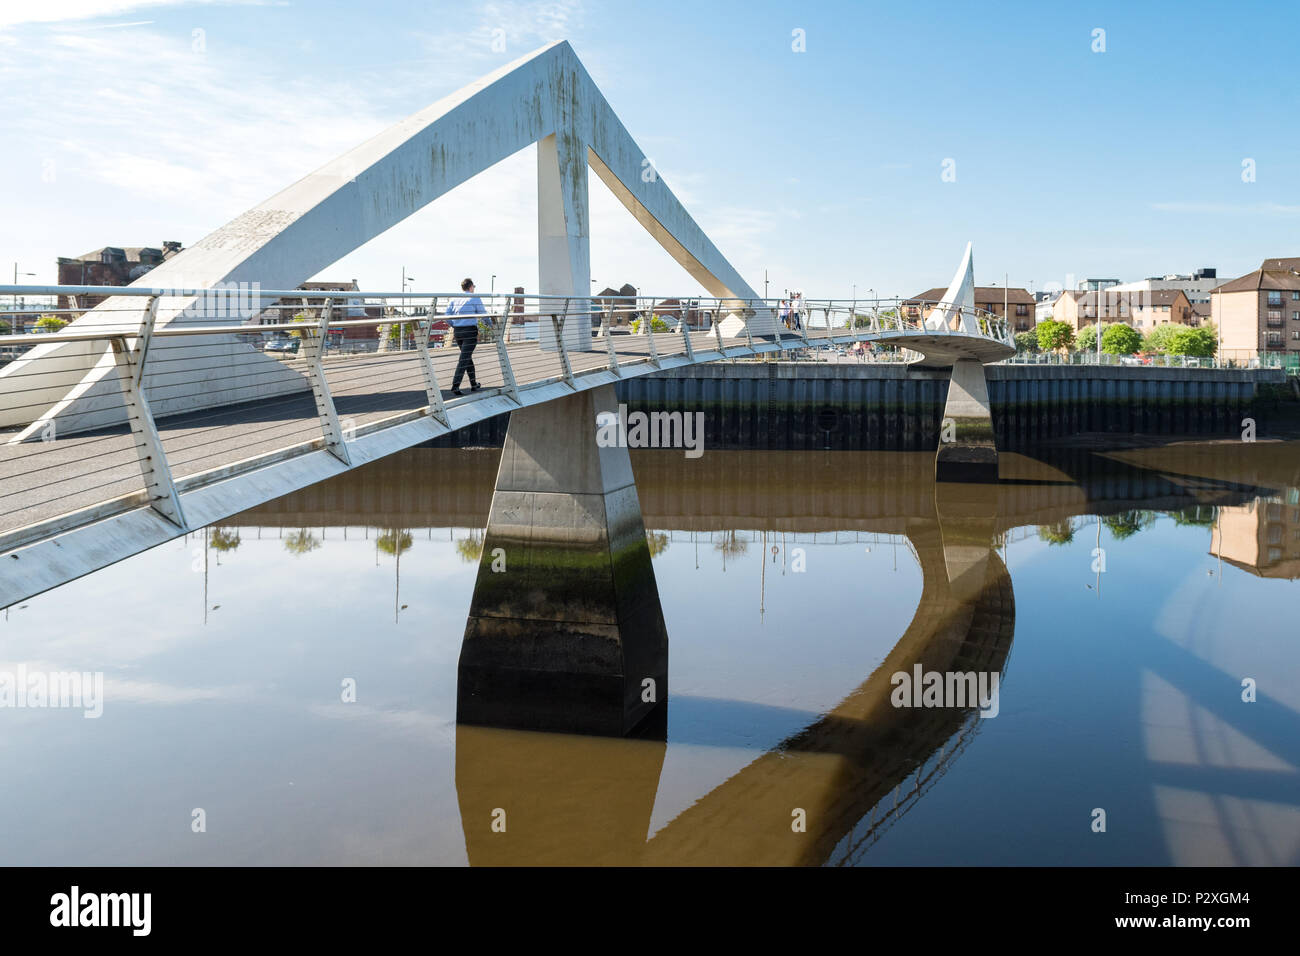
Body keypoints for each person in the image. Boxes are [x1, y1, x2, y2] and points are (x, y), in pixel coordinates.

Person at [445, 277, 487, 395]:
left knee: (467, 357)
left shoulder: (454, 299)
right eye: (474, 287)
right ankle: (455, 386)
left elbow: (446, 315)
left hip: (458, 332)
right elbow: (483, 314)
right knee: (464, 359)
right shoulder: (474, 298)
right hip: (469, 332)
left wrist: (454, 325)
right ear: (471, 287)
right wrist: (491, 324)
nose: (474, 289)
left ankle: (473, 384)